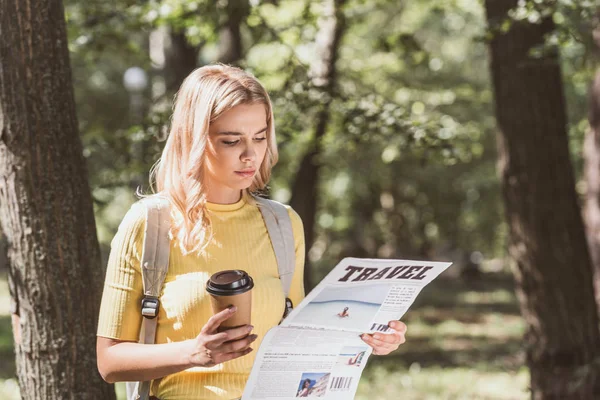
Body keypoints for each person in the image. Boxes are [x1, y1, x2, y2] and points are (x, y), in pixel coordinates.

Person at [96, 64, 407, 400]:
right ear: (194, 139)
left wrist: (362, 337)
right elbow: (110, 361)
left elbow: (297, 343)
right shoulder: (149, 223)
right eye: (231, 140)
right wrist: (193, 353)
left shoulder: (283, 224)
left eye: (260, 137)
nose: (251, 155)